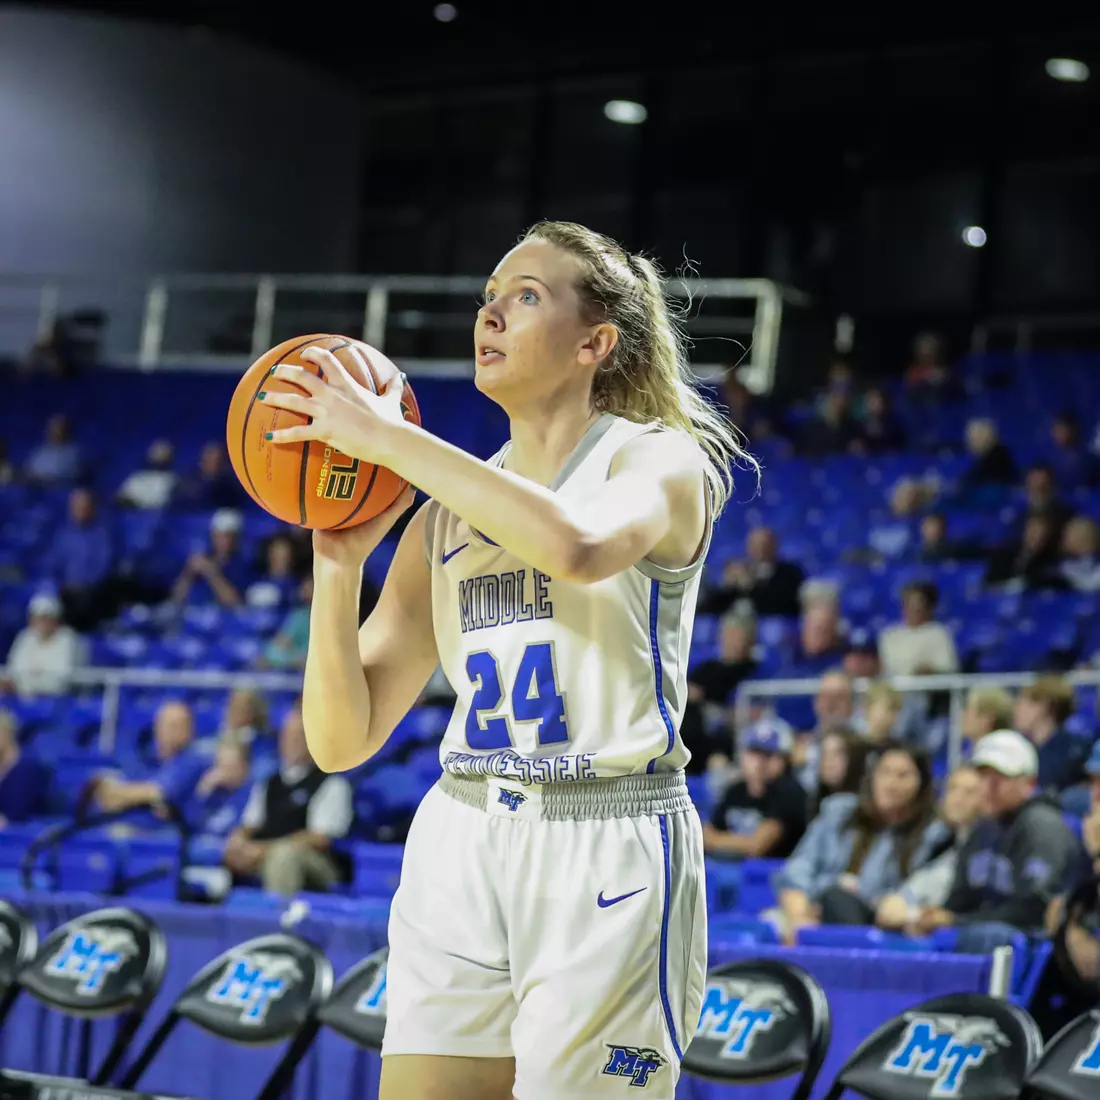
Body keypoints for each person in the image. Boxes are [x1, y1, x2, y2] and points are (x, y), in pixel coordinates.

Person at [259, 220, 755, 1100]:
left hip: (607, 840)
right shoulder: (444, 512)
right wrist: (337, 566)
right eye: (487, 296)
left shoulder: (659, 459)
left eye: (524, 295)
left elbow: (578, 546)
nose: (490, 313)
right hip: (465, 830)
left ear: (593, 343)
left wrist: (388, 444)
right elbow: (341, 740)